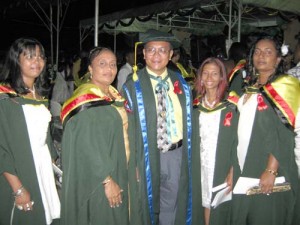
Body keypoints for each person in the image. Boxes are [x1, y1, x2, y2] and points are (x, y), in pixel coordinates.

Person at [122, 29, 193, 225]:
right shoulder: (131, 86)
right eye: (151, 50)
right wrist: (133, 162)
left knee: (171, 205)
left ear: (170, 55)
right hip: (145, 155)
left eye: (162, 50)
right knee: (145, 204)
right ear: (143, 54)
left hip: (175, 154)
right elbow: (127, 128)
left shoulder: (182, 83)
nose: (156, 55)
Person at [231, 36, 300, 225]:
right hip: (244, 161)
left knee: (265, 215)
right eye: (258, 52)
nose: (261, 56)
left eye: (268, 52)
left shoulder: (284, 86)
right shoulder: (250, 87)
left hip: (266, 162)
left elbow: (284, 132)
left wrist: (271, 169)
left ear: (278, 58)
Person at [60, 47, 130, 225]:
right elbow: (87, 146)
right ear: (90, 69)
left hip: (118, 167)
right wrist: (106, 180)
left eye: (113, 64)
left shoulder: (113, 96)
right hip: (98, 179)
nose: (109, 68)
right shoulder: (86, 101)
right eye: (102, 64)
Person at [0, 37, 61, 225]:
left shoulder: (40, 94)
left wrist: (51, 159)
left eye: (41, 56)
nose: (37, 61)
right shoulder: (6, 97)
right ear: (16, 60)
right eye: (30, 56)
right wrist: (18, 189)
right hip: (18, 170)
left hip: (42, 167)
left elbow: (45, 133)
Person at [192, 57, 238, 225]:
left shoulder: (232, 106)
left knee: (222, 207)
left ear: (221, 77)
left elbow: (239, 142)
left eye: (214, 73)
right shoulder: (196, 106)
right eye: (205, 73)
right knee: (205, 201)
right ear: (200, 77)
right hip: (202, 164)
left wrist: (233, 170)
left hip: (223, 164)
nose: (209, 77)